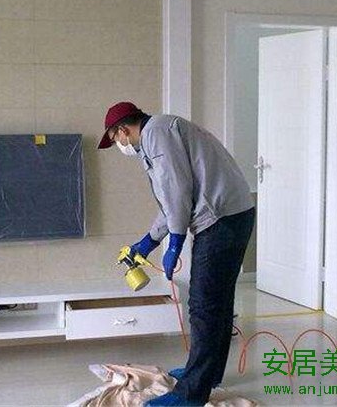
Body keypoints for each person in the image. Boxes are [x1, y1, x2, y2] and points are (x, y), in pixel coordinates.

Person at [97, 102, 256, 406]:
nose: (119, 145)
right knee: (217, 303)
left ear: (123, 129)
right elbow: (171, 201)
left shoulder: (156, 134)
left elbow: (177, 192)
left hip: (221, 219)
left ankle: (191, 393)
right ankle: (207, 374)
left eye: (116, 138)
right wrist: (149, 241)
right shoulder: (157, 135)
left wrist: (175, 244)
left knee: (203, 305)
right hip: (230, 215)